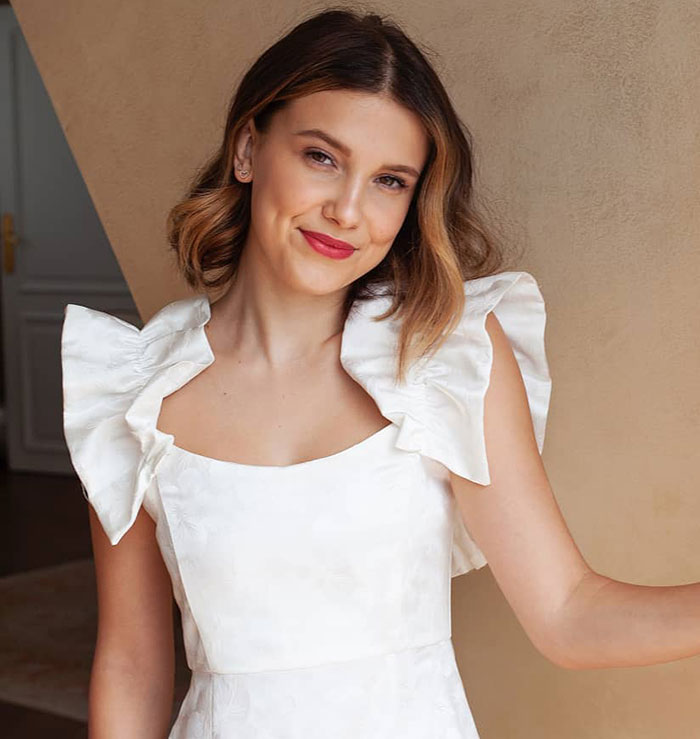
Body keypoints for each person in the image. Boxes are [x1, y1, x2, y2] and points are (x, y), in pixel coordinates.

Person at [60, 8, 700, 739]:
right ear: (247, 149)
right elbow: (132, 665)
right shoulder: (134, 389)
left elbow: (569, 615)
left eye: (390, 180)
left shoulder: (446, 354)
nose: (347, 210)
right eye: (321, 157)